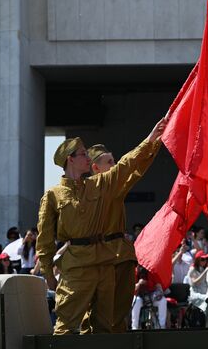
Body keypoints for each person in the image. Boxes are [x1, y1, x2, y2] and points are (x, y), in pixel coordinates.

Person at [36, 117, 166, 335]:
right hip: (76, 266)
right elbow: (45, 238)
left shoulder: (98, 184)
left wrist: (151, 138)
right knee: (66, 326)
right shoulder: (53, 195)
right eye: (83, 154)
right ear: (71, 160)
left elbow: (127, 165)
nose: (88, 157)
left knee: (106, 327)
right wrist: (48, 273)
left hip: (104, 264)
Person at [80, 134, 163, 334]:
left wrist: (155, 145)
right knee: (96, 315)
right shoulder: (86, 191)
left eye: (114, 160)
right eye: (110, 162)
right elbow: (129, 164)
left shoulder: (114, 187)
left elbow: (136, 169)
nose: (115, 165)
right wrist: (151, 140)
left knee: (119, 315)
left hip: (119, 256)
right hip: (98, 258)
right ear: (95, 168)